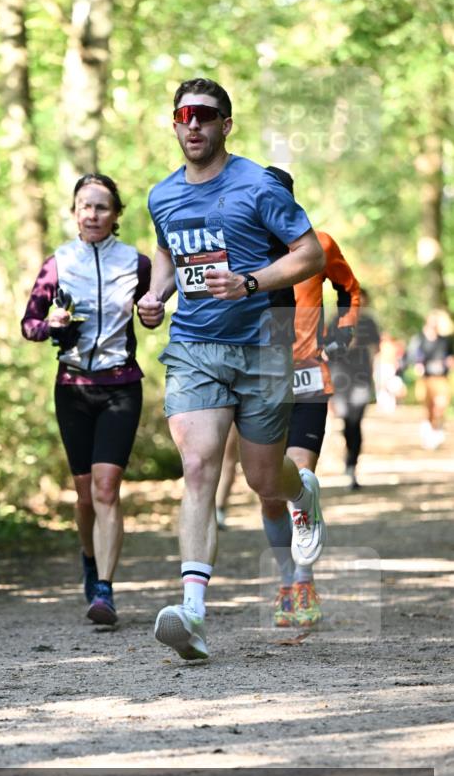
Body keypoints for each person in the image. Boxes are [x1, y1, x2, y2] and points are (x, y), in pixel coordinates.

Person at [137, 78, 326, 661]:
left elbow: (310, 253)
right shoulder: (162, 195)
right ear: (174, 124)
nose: (192, 124)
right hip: (195, 342)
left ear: (225, 124)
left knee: (264, 481)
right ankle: (192, 612)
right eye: (183, 115)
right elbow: (170, 250)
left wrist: (249, 281)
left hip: (264, 342)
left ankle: (303, 494)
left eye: (205, 115)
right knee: (196, 465)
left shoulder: (258, 185)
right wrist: (156, 293)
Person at [216, 170, 361, 628]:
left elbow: (351, 290)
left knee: (298, 479)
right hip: (261, 378)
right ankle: (285, 575)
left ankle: (302, 581)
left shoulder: (318, 244)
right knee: (268, 492)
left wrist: (342, 335)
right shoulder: (240, 254)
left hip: (308, 377)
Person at [21, 173, 151, 626]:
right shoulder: (57, 263)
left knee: (106, 489)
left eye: (101, 207)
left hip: (121, 386)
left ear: (116, 215)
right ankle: (89, 560)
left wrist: (152, 312)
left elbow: (152, 312)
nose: (92, 214)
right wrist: (53, 326)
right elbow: (29, 325)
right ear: (74, 212)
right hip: (73, 390)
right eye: (85, 206)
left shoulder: (137, 263)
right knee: (83, 498)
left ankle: (105, 590)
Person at [328, 288, 380, 489]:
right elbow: (326, 349)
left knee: (356, 422)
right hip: (340, 380)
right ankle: (349, 459)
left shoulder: (369, 323)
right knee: (346, 422)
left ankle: (352, 465)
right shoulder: (335, 321)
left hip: (361, 380)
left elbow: (376, 350)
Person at [407, 309, 454, 449]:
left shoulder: (445, 340)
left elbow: (450, 355)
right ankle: (430, 432)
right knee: (428, 408)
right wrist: (418, 364)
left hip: (441, 378)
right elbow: (413, 356)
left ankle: (437, 429)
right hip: (426, 378)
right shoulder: (420, 339)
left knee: (440, 405)